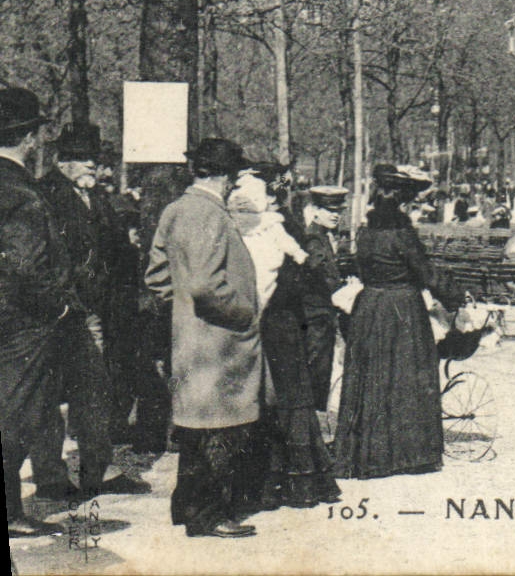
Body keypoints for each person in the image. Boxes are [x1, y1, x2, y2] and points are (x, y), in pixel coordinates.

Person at [144, 137, 261, 538]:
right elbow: (208, 285)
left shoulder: (175, 209)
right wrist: (244, 314)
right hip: (221, 341)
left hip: (191, 339)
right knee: (221, 428)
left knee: (196, 427)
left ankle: (189, 508)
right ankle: (209, 515)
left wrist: (183, 313)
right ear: (226, 177)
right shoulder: (209, 213)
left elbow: (157, 277)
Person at [33, 123, 146, 499]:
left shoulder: (94, 196)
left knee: (93, 386)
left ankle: (97, 469)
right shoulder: (46, 193)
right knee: (49, 391)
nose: (93, 167)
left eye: (95, 160)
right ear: (62, 161)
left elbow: (111, 245)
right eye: (84, 159)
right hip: (58, 309)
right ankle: (50, 476)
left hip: (91, 308)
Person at [333, 164, 462, 479]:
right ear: (403, 204)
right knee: (406, 376)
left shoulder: (365, 234)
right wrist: (455, 297)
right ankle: (406, 454)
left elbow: (363, 269)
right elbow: (426, 273)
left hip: (369, 307)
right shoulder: (403, 235)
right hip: (402, 308)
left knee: (371, 377)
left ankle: (365, 453)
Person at [228, 166, 340, 510]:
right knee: (286, 399)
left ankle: (268, 484)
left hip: (267, 320)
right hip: (282, 322)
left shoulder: (258, 225)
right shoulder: (281, 225)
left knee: (271, 400)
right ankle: (294, 482)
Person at [0, 88, 74, 537]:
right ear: (28, 139)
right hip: (22, 324)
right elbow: (26, 267)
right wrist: (58, 305)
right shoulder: (21, 191)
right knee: (16, 418)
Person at [299, 186, 346, 412]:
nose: (336, 215)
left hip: (321, 318)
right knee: (316, 375)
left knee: (320, 374)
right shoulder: (313, 239)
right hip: (315, 319)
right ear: (315, 210)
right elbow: (324, 276)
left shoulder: (323, 237)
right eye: (330, 210)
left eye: (338, 210)